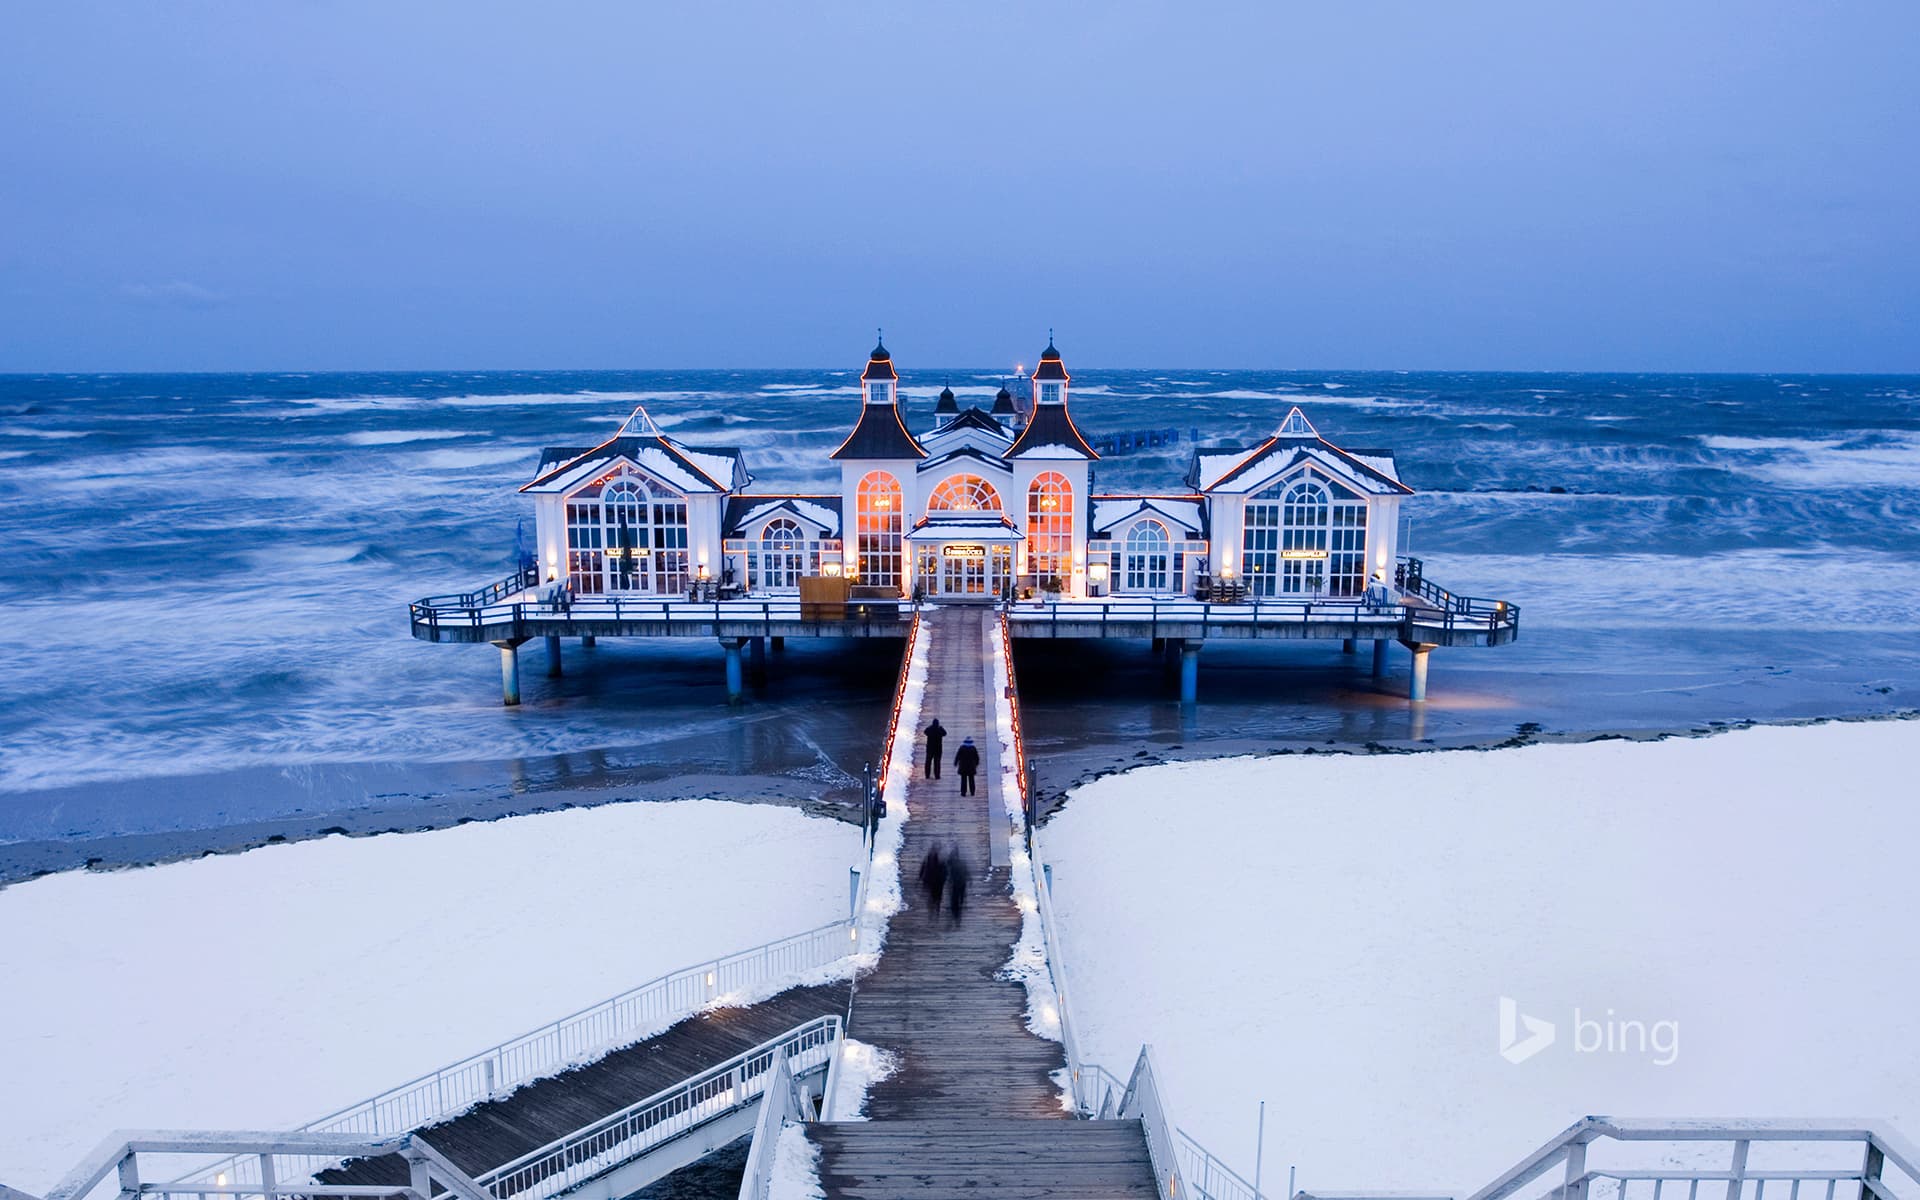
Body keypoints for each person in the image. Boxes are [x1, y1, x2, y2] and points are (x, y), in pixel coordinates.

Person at [918, 847, 947, 919]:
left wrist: (920, 879)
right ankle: (937, 912)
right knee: (938, 898)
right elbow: (945, 872)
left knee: (931, 897)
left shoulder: (927, 862)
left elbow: (922, 870)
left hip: (930, 882)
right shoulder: (941, 862)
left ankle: (931, 912)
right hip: (939, 883)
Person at [945, 844, 971, 923]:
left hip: (955, 884)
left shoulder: (952, 863)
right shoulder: (961, 863)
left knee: (955, 900)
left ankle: (956, 915)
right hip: (960, 883)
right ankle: (957, 915)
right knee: (958, 899)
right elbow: (967, 872)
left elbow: (948, 870)